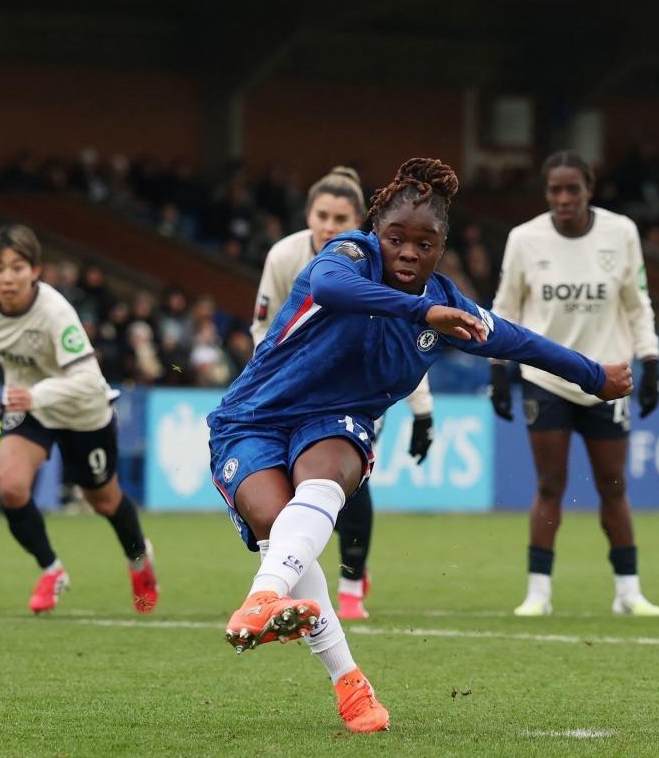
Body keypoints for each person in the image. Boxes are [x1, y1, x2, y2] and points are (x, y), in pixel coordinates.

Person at [207, 158, 633, 734]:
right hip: (252, 418)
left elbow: (518, 341)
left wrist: (593, 375)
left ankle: (262, 599)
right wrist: (420, 310)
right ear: (375, 232)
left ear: (441, 248)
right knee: (280, 530)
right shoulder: (347, 256)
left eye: (424, 244)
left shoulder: (447, 307)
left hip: (334, 423)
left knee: (317, 491)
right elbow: (331, 288)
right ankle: (348, 681)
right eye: (396, 239)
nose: (408, 252)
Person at [0, 224, 159, 614]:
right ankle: (51, 570)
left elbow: (88, 379)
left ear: (35, 271)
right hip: (29, 406)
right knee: (12, 489)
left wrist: (37, 394)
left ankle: (139, 559)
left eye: (17, 268)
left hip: (82, 411)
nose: (7, 278)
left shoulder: (55, 313)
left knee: (103, 501)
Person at [250, 166, 435, 620]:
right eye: (322, 216)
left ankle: (351, 586)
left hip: (360, 393)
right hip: (291, 390)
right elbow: (263, 326)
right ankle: (287, 579)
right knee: (293, 486)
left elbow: (409, 340)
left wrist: (423, 411)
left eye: (340, 218)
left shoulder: (378, 262)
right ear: (308, 215)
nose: (329, 226)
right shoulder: (284, 255)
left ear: (360, 222)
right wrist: (264, 382)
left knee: (345, 484)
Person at [490, 151, 659, 617]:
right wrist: (497, 370)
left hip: (609, 378)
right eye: (555, 190)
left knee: (613, 485)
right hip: (545, 379)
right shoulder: (524, 239)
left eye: (573, 189)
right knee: (549, 485)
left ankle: (628, 592)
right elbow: (505, 308)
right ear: (546, 193)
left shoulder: (621, 232)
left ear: (590, 189)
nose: (564, 198)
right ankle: (538, 594)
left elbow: (637, 303)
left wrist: (650, 360)